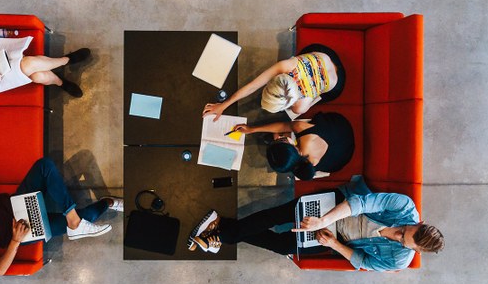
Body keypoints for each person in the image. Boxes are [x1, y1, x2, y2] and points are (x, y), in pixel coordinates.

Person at [188, 176, 444, 272]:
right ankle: (224, 233)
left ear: (416, 251)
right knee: (278, 216)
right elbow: (362, 203)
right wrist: (323, 220)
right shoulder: (404, 207)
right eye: (403, 232)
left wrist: (333, 242)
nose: (398, 236)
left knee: (281, 244)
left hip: (337, 237)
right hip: (336, 206)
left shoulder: (400, 259)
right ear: (418, 222)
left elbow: (364, 262)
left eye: (402, 241)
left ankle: (222, 228)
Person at [202, 44, 345, 121]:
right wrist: (224, 105)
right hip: (322, 54)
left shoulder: (300, 107)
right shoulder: (286, 65)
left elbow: (300, 106)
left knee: (322, 97)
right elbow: (253, 86)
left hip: (335, 82)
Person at [233, 111, 355, 180]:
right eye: (282, 139)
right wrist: (251, 129)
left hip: (342, 155)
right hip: (341, 128)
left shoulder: (307, 166)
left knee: (278, 132)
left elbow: (282, 130)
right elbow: (283, 126)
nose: (280, 137)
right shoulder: (302, 130)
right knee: (282, 130)